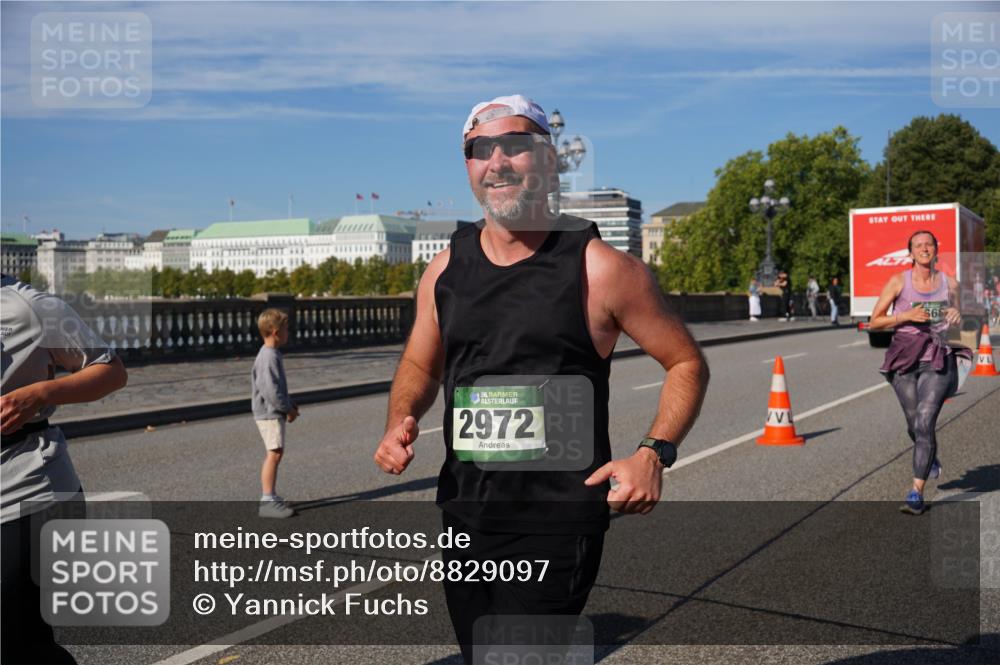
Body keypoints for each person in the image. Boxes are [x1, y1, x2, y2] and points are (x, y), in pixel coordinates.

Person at [373, 94, 709, 663]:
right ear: (468, 167)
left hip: (556, 521)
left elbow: (686, 363)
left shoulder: (599, 268)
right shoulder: (445, 267)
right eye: (481, 150)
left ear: (550, 162)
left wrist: (652, 453)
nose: (498, 161)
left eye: (517, 147)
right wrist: (398, 421)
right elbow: (419, 363)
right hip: (466, 513)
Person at [1, 274, 128, 664]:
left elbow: (111, 370)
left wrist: (41, 392)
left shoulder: (30, 307)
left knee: (18, 647)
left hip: (27, 491)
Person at [869, 231, 971, 515]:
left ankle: (916, 492)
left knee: (925, 421)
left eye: (930, 244)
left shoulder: (951, 284)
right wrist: (905, 316)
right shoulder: (898, 282)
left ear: (937, 250)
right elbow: (874, 322)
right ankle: (930, 457)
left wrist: (956, 315)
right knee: (915, 424)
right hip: (904, 360)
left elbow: (961, 320)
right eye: (919, 245)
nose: (925, 248)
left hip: (938, 358)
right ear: (910, 253)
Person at [251, 308, 299, 519]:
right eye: (286, 329)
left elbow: (276, 389)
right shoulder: (269, 356)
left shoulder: (270, 354)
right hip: (269, 413)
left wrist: (289, 404)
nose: (289, 332)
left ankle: (270, 496)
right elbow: (271, 391)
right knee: (274, 453)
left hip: (271, 411)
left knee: (275, 452)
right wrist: (287, 408)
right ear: (275, 331)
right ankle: (267, 499)